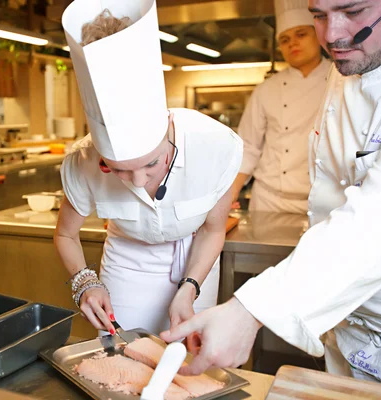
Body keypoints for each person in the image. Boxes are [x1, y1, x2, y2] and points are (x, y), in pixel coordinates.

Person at [162, 0, 381, 384]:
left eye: (353, 11)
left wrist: (250, 311)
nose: (332, 35)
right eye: (318, 15)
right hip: (345, 316)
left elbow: (377, 221)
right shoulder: (349, 61)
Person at [55, 0, 243, 337]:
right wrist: (84, 282)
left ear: (169, 126)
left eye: (152, 163)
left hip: (194, 264)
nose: (139, 182)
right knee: (120, 364)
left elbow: (214, 230)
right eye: (119, 170)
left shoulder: (214, 146)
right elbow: (66, 234)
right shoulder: (83, 161)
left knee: (188, 368)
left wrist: (190, 287)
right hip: (126, 266)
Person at [230, 0, 332, 214]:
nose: (292, 43)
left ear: (318, 34)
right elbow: (248, 147)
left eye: (301, 34)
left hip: (321, 201)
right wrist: (230, 193)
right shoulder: (266, 89)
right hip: (269, 200)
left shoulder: (340, 80)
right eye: (285, 40)